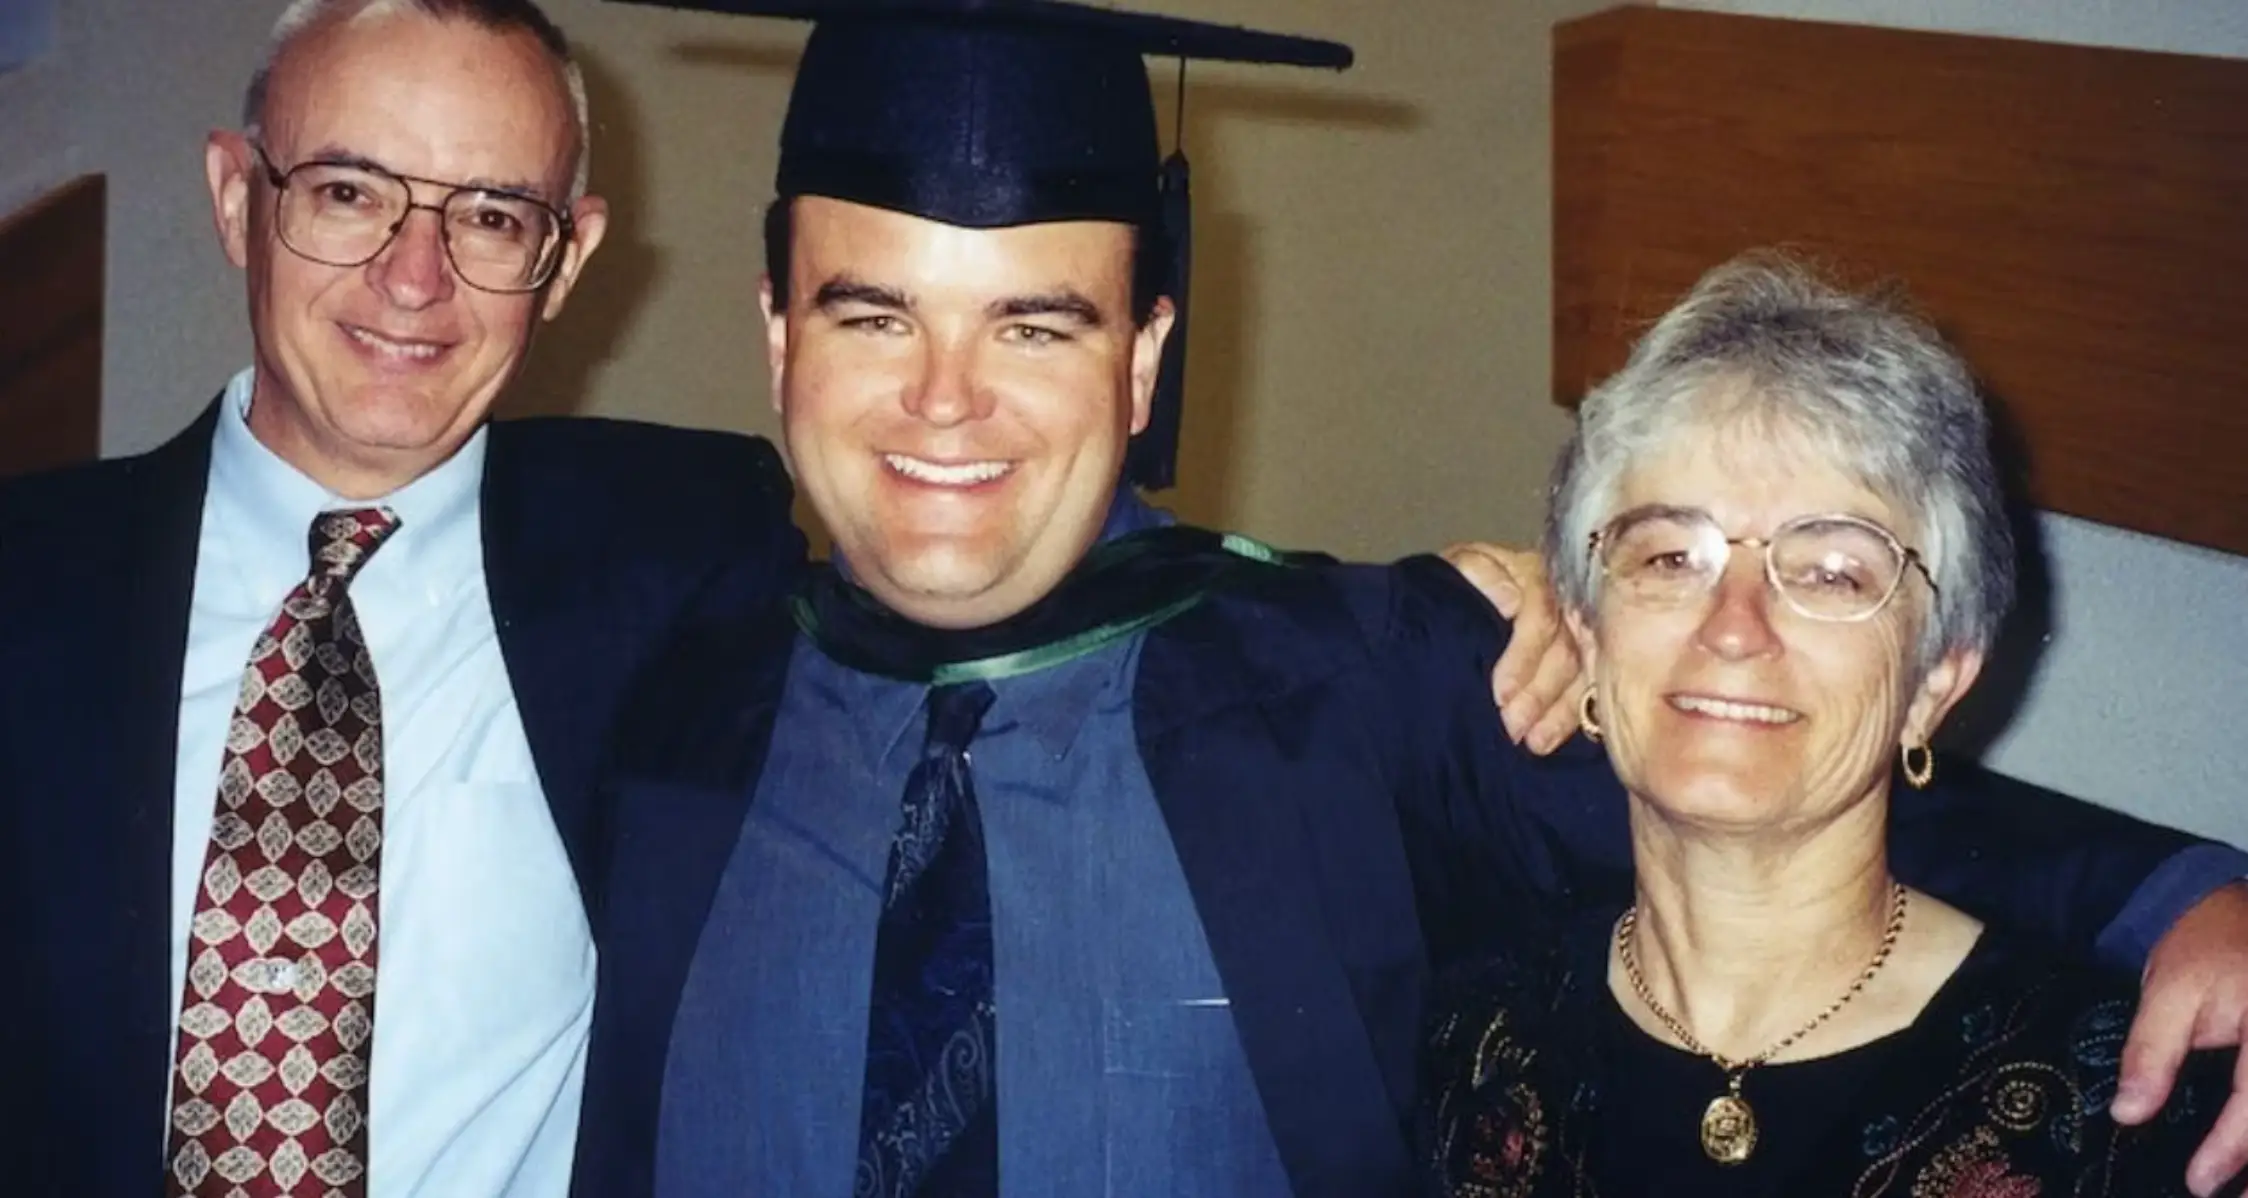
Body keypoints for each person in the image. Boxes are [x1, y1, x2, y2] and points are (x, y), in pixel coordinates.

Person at [578, 3, 2248, 1197]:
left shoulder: (1358, 681)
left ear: (1144, 350)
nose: (946, 404)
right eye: (873, 316)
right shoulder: (645, 688)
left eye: (1034, 322)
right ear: (781, 334)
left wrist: (2174, 903)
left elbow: (1768, 769)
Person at [0, 1, 804, 1194]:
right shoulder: (25, 587)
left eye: (489, 215)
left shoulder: (684, 555)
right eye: (348, 191)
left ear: (566, 257)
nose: (413, 277)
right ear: (238, 200)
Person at [1422, 254, 2243, 1197]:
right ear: (1586, 632)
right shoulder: (1465, 1044)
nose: (1734, 627)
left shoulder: (2131, 1113)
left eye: (1831, 574)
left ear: (1935, 681)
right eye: (1669, 556)